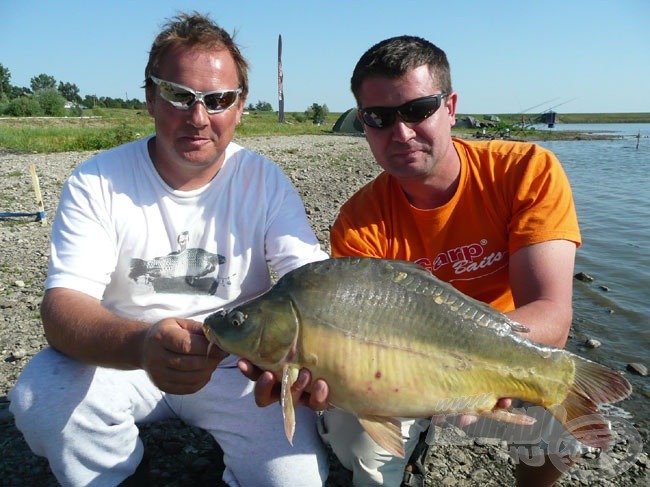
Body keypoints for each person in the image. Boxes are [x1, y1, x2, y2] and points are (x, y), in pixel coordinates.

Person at [8, 12, 329, 487]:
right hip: (123, 354)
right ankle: (112, 474)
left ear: (240, 106)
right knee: (42, 396)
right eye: (180, 95)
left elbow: (314, 284)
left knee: (294, 480)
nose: (198, 118)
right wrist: (142, 344)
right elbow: (62, 308)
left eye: (218, 100)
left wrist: (313, 363)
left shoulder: (265, 181)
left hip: (236, 363)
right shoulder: (97, 181)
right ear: (150, 97)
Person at [250, 35, 582, 486]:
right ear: (362, 123)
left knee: (564, 430)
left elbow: (552, 317)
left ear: (450, 107)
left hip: (498, 358)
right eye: (379, 118)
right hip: (399, 372)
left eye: (417, 109)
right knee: (353, 441)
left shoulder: (525, 171)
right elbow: (352, 347)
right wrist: (327, 385)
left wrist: (476, 376)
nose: (400, 132)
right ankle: (413, 435)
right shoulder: (358, 222)